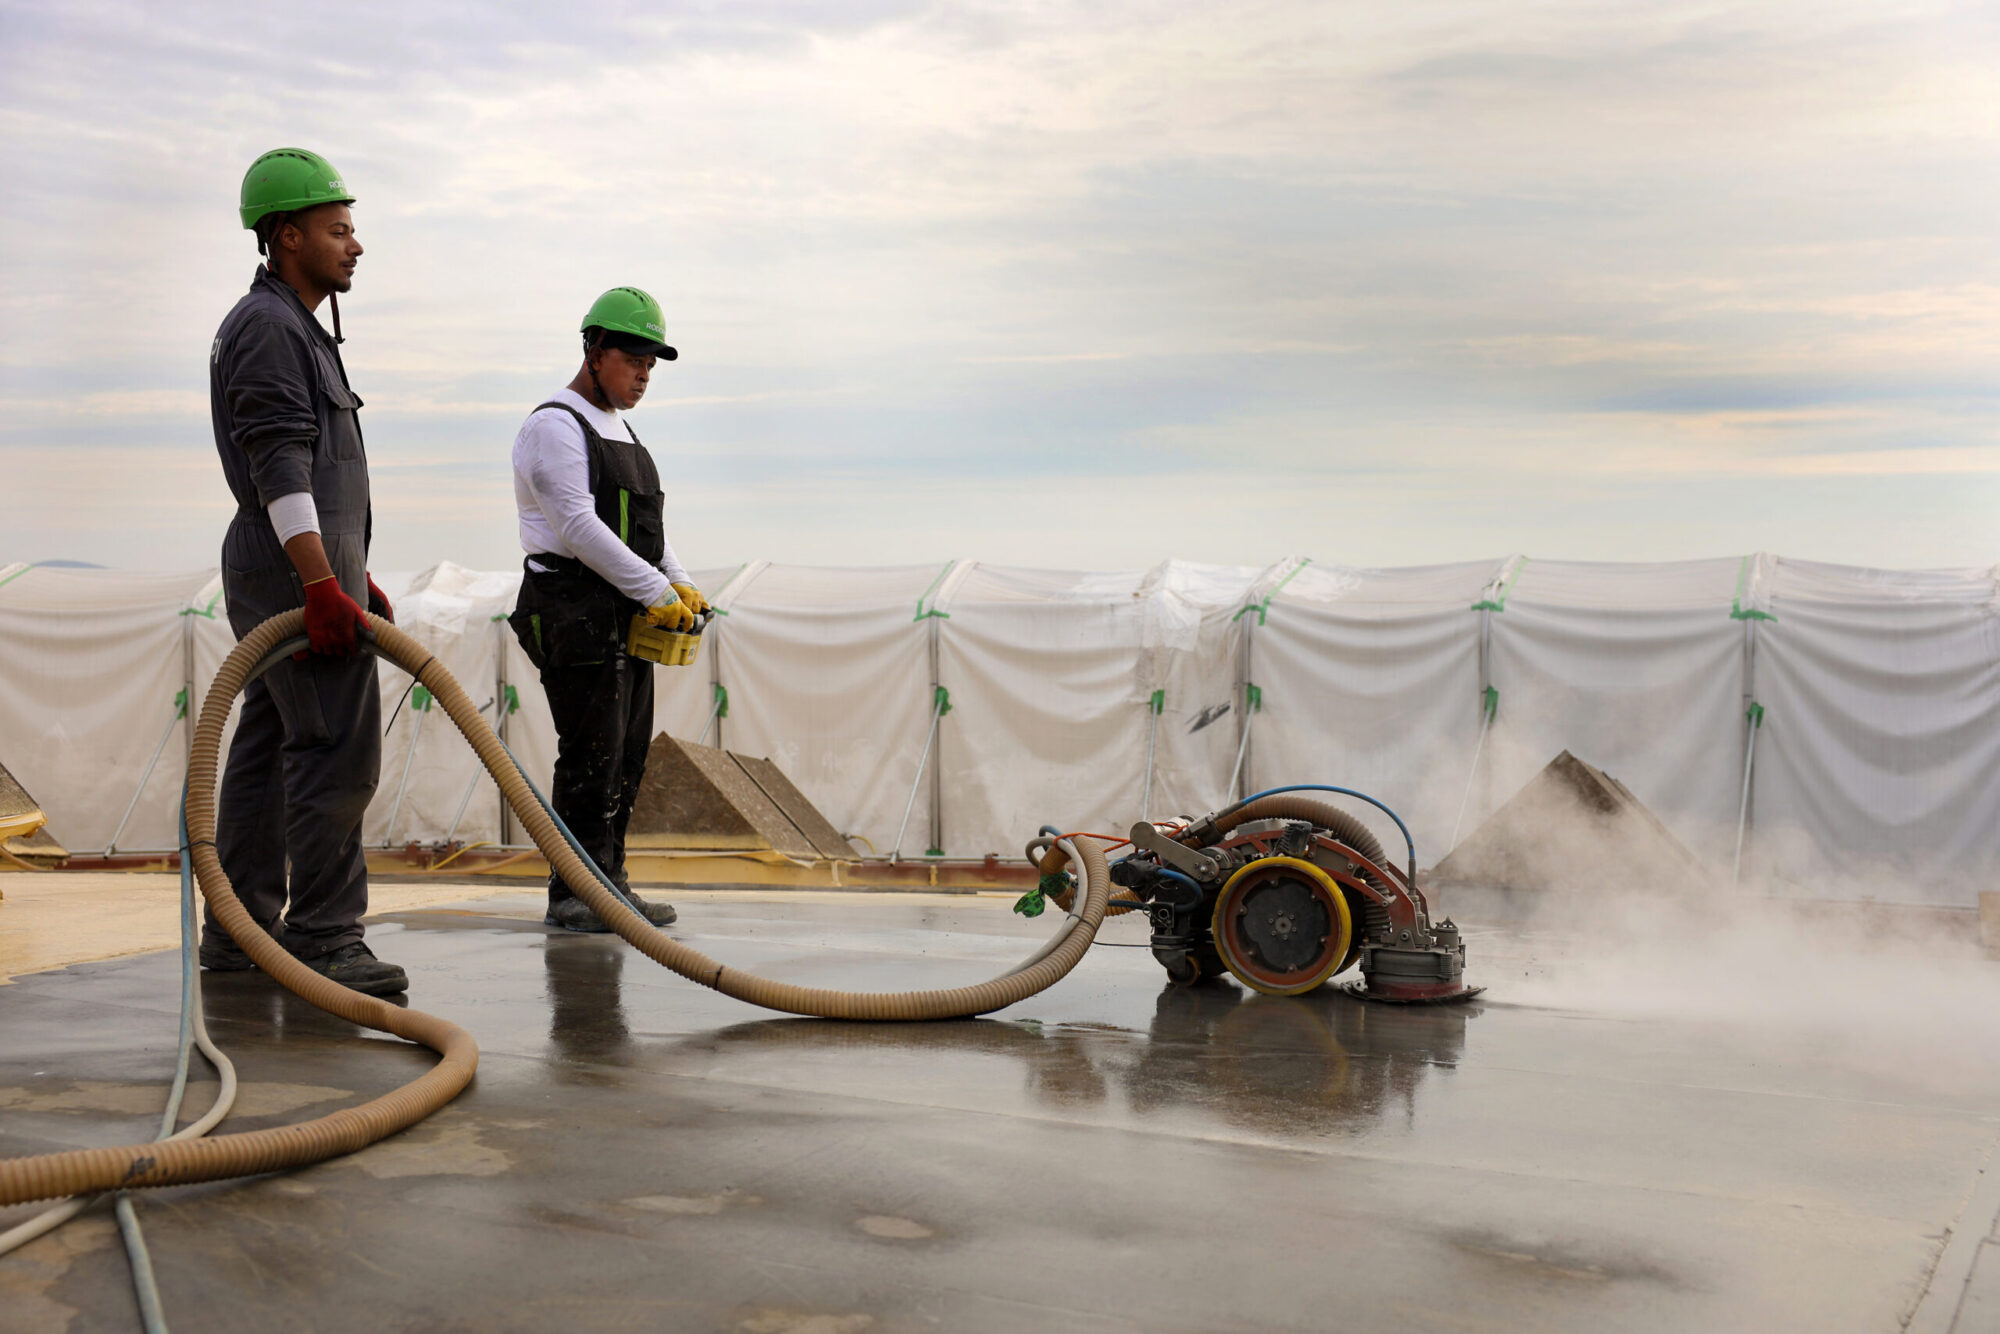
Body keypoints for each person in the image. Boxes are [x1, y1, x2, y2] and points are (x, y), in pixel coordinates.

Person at [201, 147, 406, 996]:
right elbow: (282, 466)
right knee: (335, 747)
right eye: (338, 230)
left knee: (269, 743)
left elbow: (316, 475)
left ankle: (241, 931)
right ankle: (325, 935)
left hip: (298, 568)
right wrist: (322, 584)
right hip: (290, 571)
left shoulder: (292, 325)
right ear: (288, 238)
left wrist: (353, 575)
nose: (355, 245)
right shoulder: (272, 329)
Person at [508, 287, 702, 933]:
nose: (644, 373)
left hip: (620, 608)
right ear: (594, 351)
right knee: (590, 752)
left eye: (652, 363)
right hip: (571, 608)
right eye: (634, 358)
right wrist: (656, 592)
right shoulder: (555, 426)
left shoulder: (619, 426)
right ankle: (575, 892)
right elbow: (577, 526)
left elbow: (647, 528)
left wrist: (681, 582)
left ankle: (610, 883)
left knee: (626, 751)